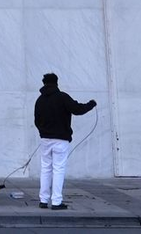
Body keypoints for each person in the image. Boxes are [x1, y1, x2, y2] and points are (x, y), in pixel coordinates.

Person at [33, 72, 95, 210]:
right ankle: (56, 201)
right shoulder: (62, 97)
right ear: (56, 82)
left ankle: (43, 200)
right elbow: (77, 109)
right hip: (60, 140)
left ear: (44, 83)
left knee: (45, 169)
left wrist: (43, 132)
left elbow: (36, 121)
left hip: (45, 139)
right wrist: (91, 104)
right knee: (58, 169)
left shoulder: (39, 100)